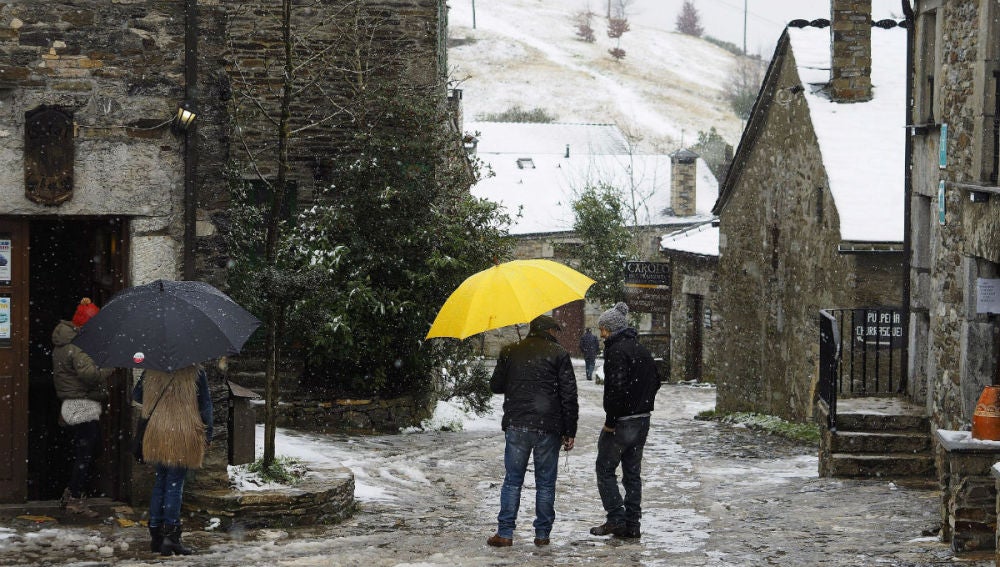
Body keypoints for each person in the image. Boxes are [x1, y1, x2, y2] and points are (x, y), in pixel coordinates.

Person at [487, 315, 579, 548]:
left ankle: (505, 533)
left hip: (517, 424)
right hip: (549, 427)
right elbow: (569, 395)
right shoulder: (558, 353)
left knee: (512, 481)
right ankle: (542, 535)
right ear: (548, 330)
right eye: (555, 331)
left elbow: (495, 386)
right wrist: (570, 430)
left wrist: (512, 366)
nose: (557, 334)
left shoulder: (511, 350)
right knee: (546, 483)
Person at [590, 302, 660, 540]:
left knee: (604, 468)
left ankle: (616, 518)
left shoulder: (617, 351)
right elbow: (656, 380)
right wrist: (643, 402)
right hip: (642, 420)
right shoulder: (640, 349)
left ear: (612, 328)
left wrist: (611, 420)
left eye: (603, 329)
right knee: (632, 472)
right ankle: (632, 524)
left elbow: (616, 389)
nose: (601, 334)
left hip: (622, 421)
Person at [133, 365, 213, 556]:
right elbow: (206, 405)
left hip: (157, 430)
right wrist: (208, 433)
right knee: (174, 484)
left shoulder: (151, 369)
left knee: (160, 481)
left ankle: (156, 535)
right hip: (182, 431)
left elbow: (136, 395)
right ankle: (171, 536)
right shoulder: (195, 372)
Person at [52, 297, 114, 518]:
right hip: (82, 404)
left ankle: (72, 494)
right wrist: (109, 366)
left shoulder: (64, 343)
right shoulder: (76, 347)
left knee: (82, 452)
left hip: (72, 404)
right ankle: (75, 498)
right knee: (86, 453)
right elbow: (90, 375)